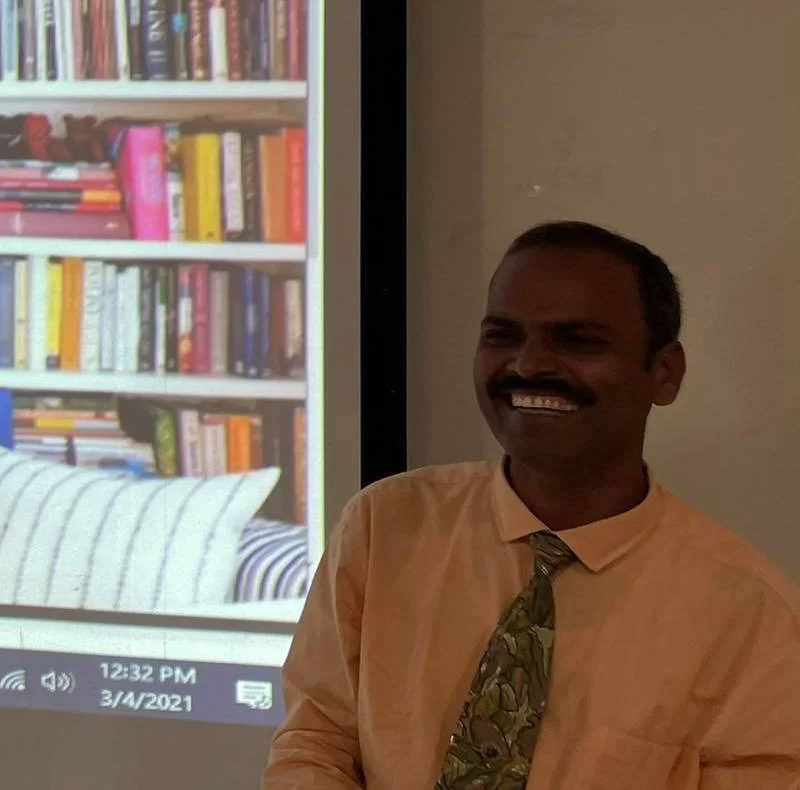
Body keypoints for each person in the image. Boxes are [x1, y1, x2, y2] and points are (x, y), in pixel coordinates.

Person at [266, 222, 800, 788]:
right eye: (502, 335)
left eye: (578, 341)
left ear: (664, 373)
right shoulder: (385, 525)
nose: (528, 365)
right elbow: (316, 740)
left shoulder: (750, 613)